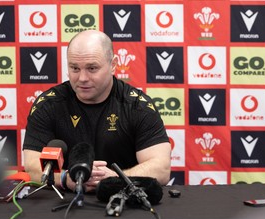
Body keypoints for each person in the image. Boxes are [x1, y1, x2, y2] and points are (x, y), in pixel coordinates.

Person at [23, 30, 171, 192]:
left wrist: (115, 178)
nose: (82, 78)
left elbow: (161, 169)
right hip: (63, 204)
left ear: (113, 65)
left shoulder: (137, 106)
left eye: (92, 68)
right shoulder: (48, 105)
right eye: (74, 68)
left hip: (123, 202)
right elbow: (32, 168)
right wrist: (66, 178)